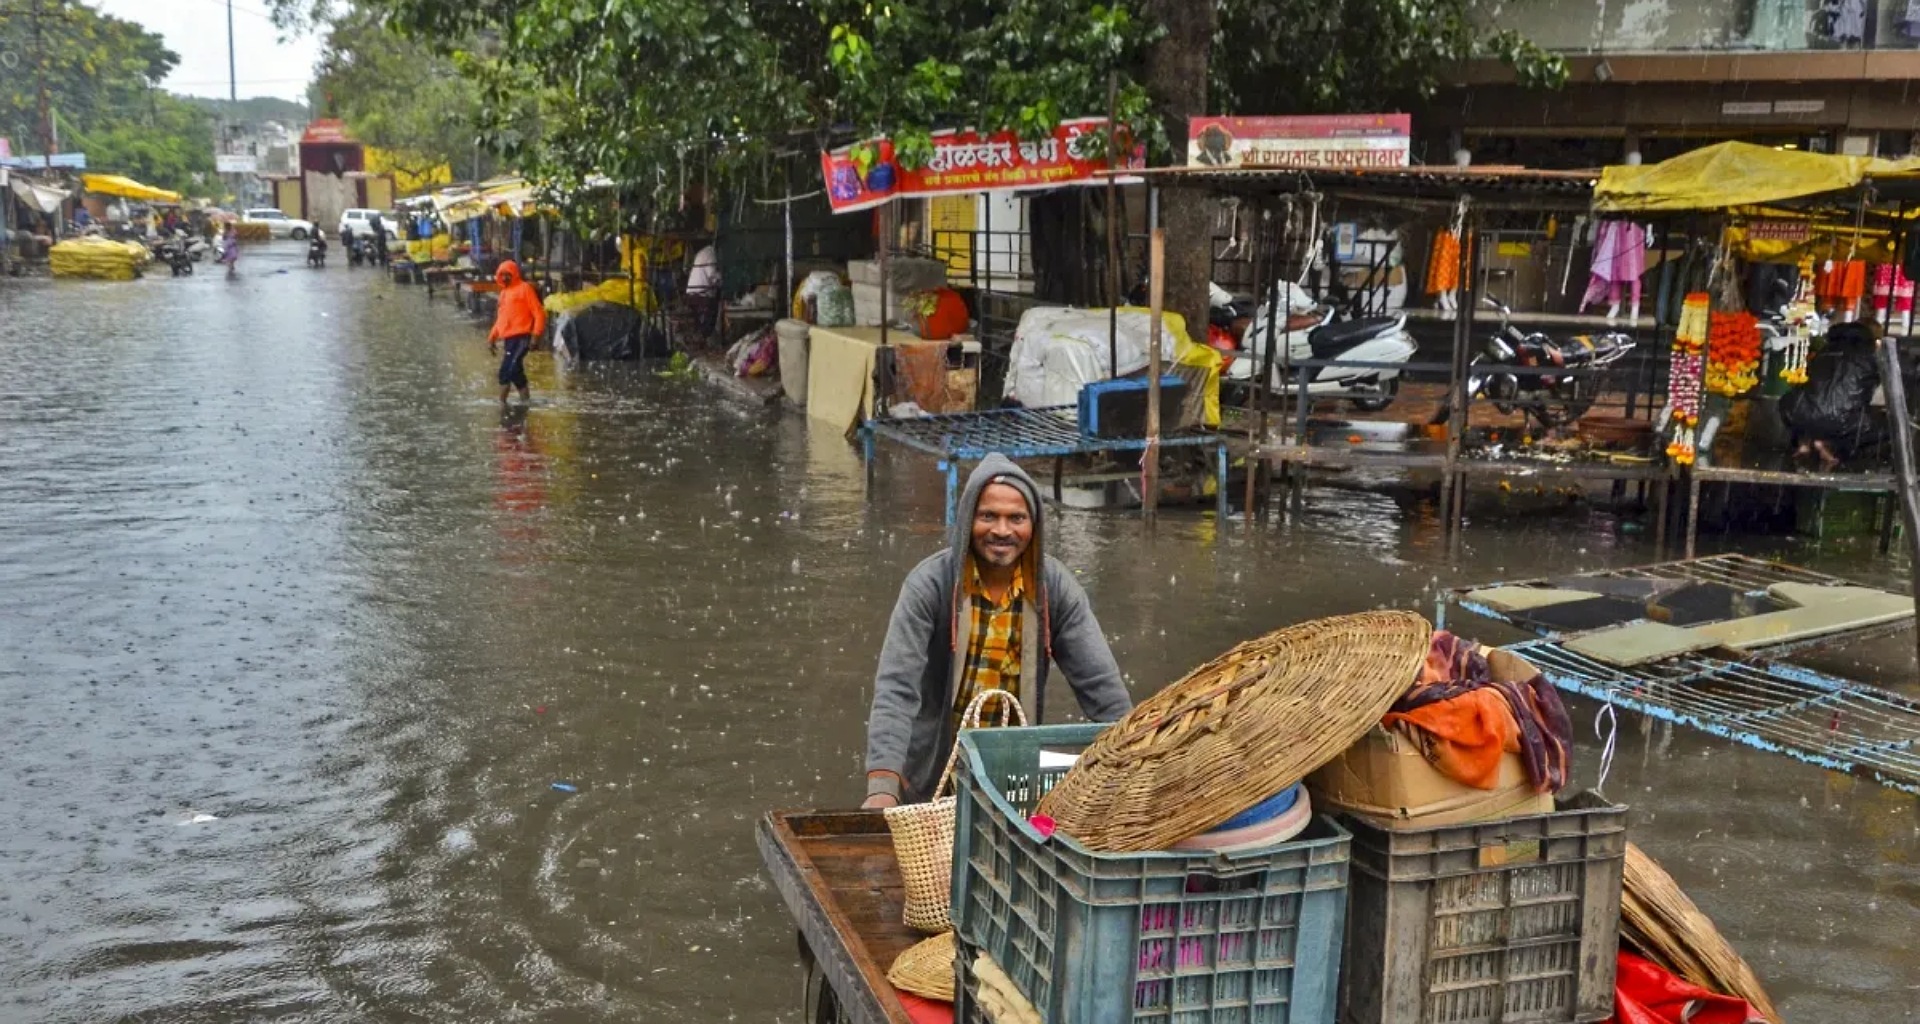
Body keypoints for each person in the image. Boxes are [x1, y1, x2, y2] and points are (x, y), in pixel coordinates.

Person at [862, 455, 1132, 808]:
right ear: (967, 520)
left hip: (1013, 778)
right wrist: (883, 785)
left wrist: (1134, 753)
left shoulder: (1054, 589)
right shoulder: (931, 585)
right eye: (988, 516)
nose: (1002, 531)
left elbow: (1101, 687)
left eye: (1016, 518)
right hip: (931, 776)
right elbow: (897, 689)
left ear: (1033, 526)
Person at [488, 259, 546, 405]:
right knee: (516, 372)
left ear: (514, 274)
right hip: (509, 340)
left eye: (508, 274)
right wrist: (492, 338)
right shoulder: (503, 294)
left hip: (522, 337)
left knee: (507, 370)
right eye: (502, 275)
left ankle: (502, 405)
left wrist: (535, 336)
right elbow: (501, 318)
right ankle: (525, 403)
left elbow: (538, 312)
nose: (505, 278)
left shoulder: (524, 288)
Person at [685, 243, 720, 338]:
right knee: (710, 316)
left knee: (698, 321)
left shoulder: (702, 252)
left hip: (692, 292)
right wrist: (721, 280)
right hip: (702, 294)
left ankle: (700, 339)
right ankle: (706, 338)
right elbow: (711, 274)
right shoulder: (711, 253)